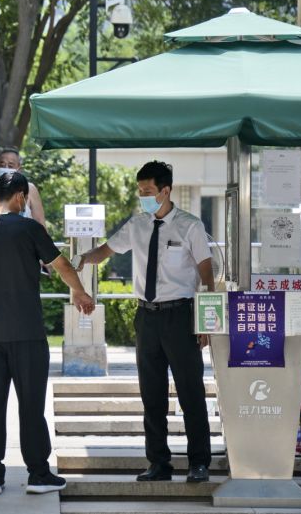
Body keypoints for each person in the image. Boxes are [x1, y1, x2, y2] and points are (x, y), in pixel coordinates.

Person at [0, 172, 95, 495]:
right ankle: (38, 475)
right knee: (31, 404)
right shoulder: (30, 229)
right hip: (27, 334)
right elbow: (62, 267)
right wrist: (81, 294)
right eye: (26, 198)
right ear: (19, 197)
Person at [76, 161, 214, 483]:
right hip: (147, 318)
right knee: (151, 396)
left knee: (190, 392)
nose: (143, 197)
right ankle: (158, 464)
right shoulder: (136, 226)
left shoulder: (190, 226)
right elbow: (104, 252)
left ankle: (199, 463)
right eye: (140, 192)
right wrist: (81, 259)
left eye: (148, 192)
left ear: (166, 190)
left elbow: (207, 276)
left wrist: (207, 321)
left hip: (181, 316)